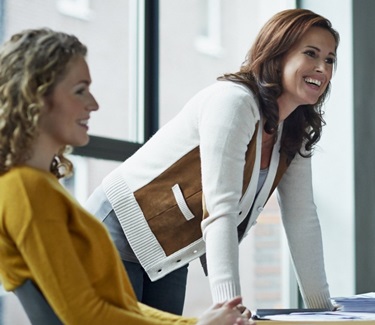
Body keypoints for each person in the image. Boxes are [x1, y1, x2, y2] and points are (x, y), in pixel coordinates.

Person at [84, 8, 339, 314]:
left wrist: (324, 312)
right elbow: (221, 209)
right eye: (310, 54)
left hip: (168, 247)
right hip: (112, 233)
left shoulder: (295, 128)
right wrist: (229, 305)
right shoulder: (235, 102)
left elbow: (302, 218)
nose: (321, 68)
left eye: (329, 59)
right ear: (278, 53)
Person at [0, 28, 250, 324]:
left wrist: (196, 323)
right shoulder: (26, 190)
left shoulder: (40, 185)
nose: (93, 104)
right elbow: (84, 315)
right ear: (37, 96)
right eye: (80, 90)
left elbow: (115, 304)